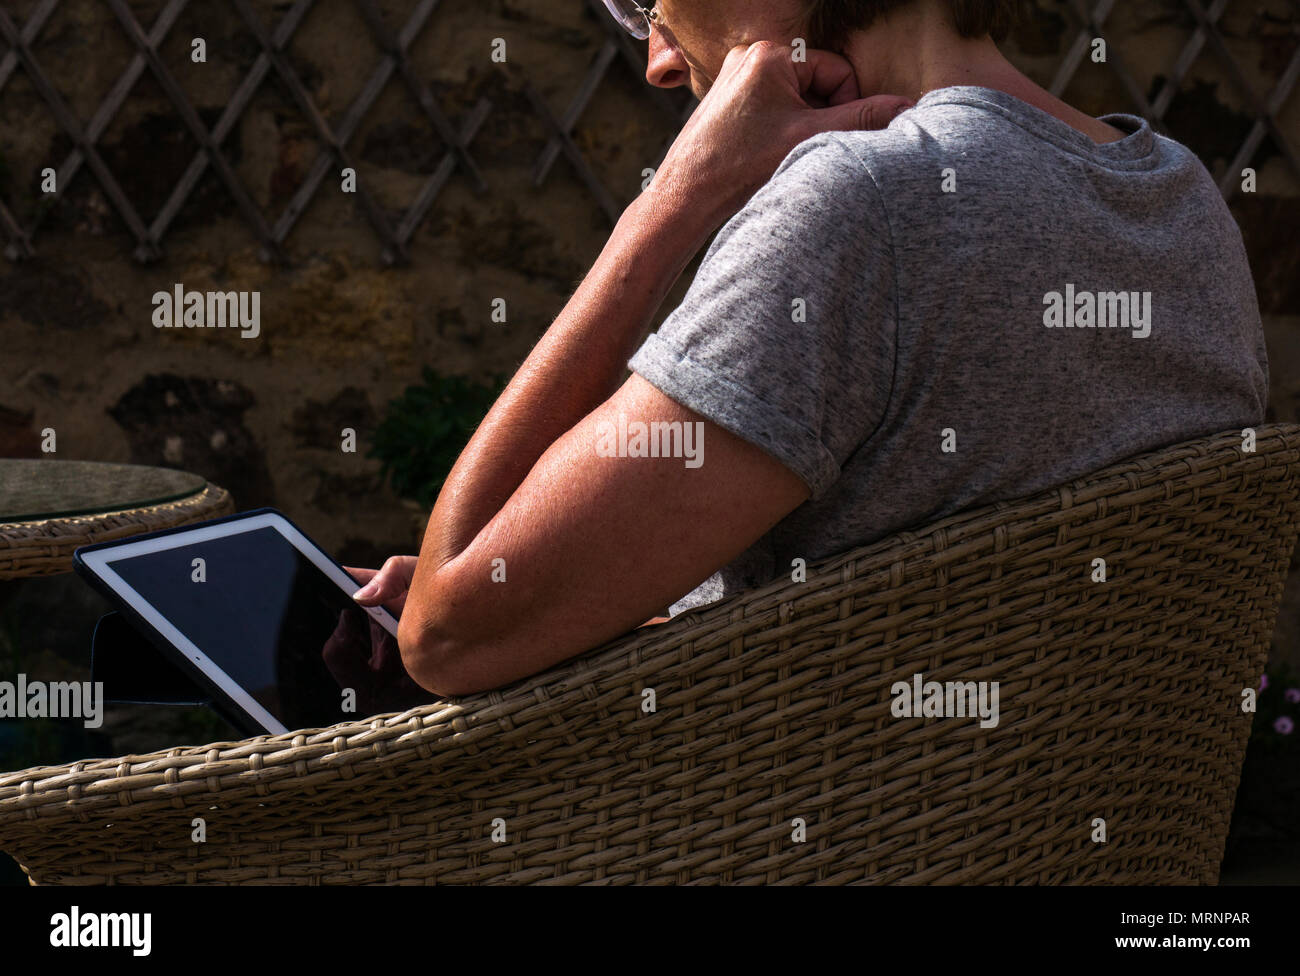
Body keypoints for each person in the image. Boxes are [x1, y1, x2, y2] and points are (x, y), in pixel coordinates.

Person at [349, 0, 1268, 697]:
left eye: (646, 6)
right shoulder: (1184, 202)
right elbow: (938, 613)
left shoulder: (861, 202)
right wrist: (601, 582)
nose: (660, 61)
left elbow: (447, 633)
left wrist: (669, 205)